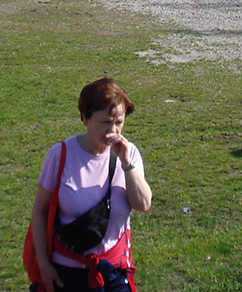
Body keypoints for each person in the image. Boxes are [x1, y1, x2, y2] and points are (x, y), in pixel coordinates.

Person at [27, 77, 151, 292]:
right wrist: (44, 266)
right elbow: (39, 212)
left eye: (119, 122)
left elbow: (143, 204)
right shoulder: (60, 154)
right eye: (105, 122)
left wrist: (126, 164)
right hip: (67, 275)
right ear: (85, 118)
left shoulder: (129, 153)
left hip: (114, 272)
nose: (113, 130)